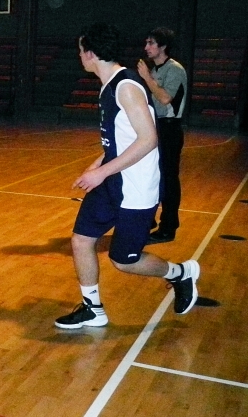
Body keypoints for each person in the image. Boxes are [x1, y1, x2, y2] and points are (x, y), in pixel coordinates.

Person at [55, 23, 199, 329]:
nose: (79, 55)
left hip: (136, 188)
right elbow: (122, 139)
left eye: (81, 50)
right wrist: (97, 165)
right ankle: (93, 308)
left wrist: (101, 172)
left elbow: (148, 139)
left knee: (124, 260)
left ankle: (180, 274)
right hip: (112, 181)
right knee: (81, 240)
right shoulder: (109, 85)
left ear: (90, 53)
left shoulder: (126, 87)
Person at [137, 27, 187, 244]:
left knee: (168, 179)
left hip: (169, 128)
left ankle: (168, 227)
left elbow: (165, 98)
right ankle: (148, 220)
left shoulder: (174, 69)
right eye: (146, 42)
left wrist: (147, 78)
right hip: (155, 127)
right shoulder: (155, 70)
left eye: (151, 43)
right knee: (150, 176)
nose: (146, 47)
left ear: (163, 46)